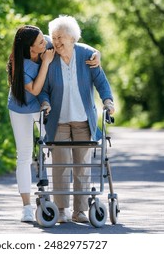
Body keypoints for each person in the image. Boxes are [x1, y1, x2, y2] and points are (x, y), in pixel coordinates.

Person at [7, 25, 101, 222]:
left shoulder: (45, 43)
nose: (48, 42)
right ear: (31, 48)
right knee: (24, 155)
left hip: (46, 107)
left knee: (54, 150)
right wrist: (46, 63)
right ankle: (26, 206)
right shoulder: (20, 64)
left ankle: (58, 203)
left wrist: (95, 52)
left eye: (45, 38)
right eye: (41, 42)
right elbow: (35, 89)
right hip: (21, 108)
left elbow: (71, 42)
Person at [38, 15, 115, 223]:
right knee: (60, 165)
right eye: (54, 37)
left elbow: (102, 82)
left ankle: (79, 211)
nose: (56, 41)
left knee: (82, 166)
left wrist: (108, 102)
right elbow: (43, 89)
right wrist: (45, 103)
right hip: (59, 121)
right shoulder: (51, 58)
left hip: (83, 121)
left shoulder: (87, 56)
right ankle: (61, 210)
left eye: (60, 37)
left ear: (73, 38)